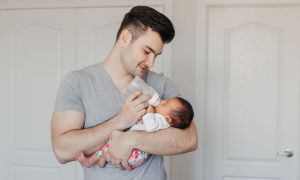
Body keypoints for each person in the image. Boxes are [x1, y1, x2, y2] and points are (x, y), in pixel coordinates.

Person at [51, 5, 198, 180]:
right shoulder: (77, 82)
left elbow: (189, 139)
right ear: (125, 37)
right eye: (147, 51)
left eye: (156, 55)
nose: (151, 63)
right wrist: (120, 121)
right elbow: (62, 150)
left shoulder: (162, 84)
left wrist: (131, 139)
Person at [76, 96, 194, 169]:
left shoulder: (161, 120)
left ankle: (89, 161)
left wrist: (149, 111)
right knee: (108, 147)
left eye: (165, 104)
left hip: (136, 154)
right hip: (135, 153)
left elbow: (150, 126)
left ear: (169, 119)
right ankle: (99, 162)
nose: (162, 101)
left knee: (107, 146)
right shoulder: (162, 119)